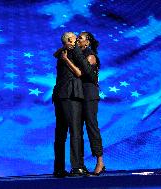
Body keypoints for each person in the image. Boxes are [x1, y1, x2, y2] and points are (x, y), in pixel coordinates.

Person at [62, 32, 105, 176]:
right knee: (78, 129)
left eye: (80, 38)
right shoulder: (78, 54)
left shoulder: (91, 55)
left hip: (89, 94)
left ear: (87, 42)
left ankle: (100, 161)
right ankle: (79, 165)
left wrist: (73, 56)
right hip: (79, 95)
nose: (77, 40)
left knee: (92, 126)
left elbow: (84, 72)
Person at [52, 32, 88, 177]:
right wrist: (67, 59)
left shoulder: (62, 51)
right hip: (70, 94)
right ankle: (76, 166)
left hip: (61, 95)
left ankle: (59, 168)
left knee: (61, 132)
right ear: (68, 41)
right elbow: (79, 73)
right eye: (74, 39)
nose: (77, 41)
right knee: (75, 130)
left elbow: (56, 53)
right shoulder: (70, 52)